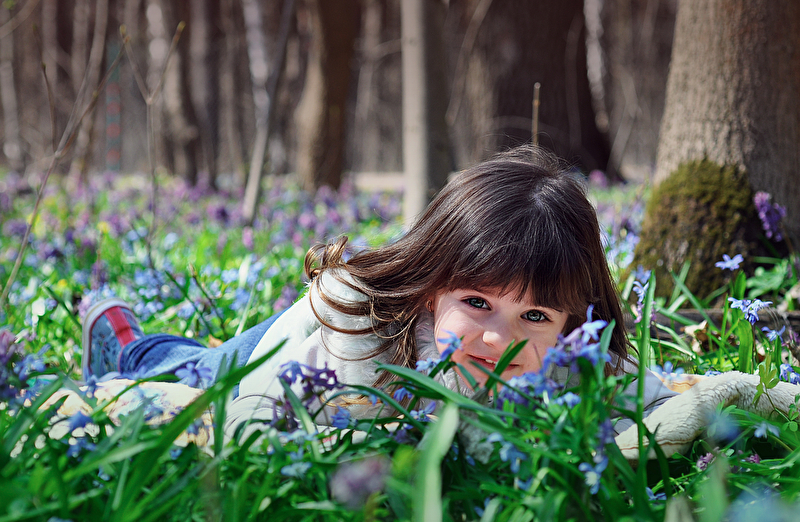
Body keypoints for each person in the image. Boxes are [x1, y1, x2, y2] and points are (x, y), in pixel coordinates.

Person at [80, 145, 676, 439]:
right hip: (296, 352)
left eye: (537, 315)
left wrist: (762, 396)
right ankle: (123, 341)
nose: (500, 338)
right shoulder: (365, 350)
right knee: (198, 377)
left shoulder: (579, 364)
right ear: (431, 291)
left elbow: (662, 401)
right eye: (477, 302)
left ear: (573, 327)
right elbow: (251, 421)